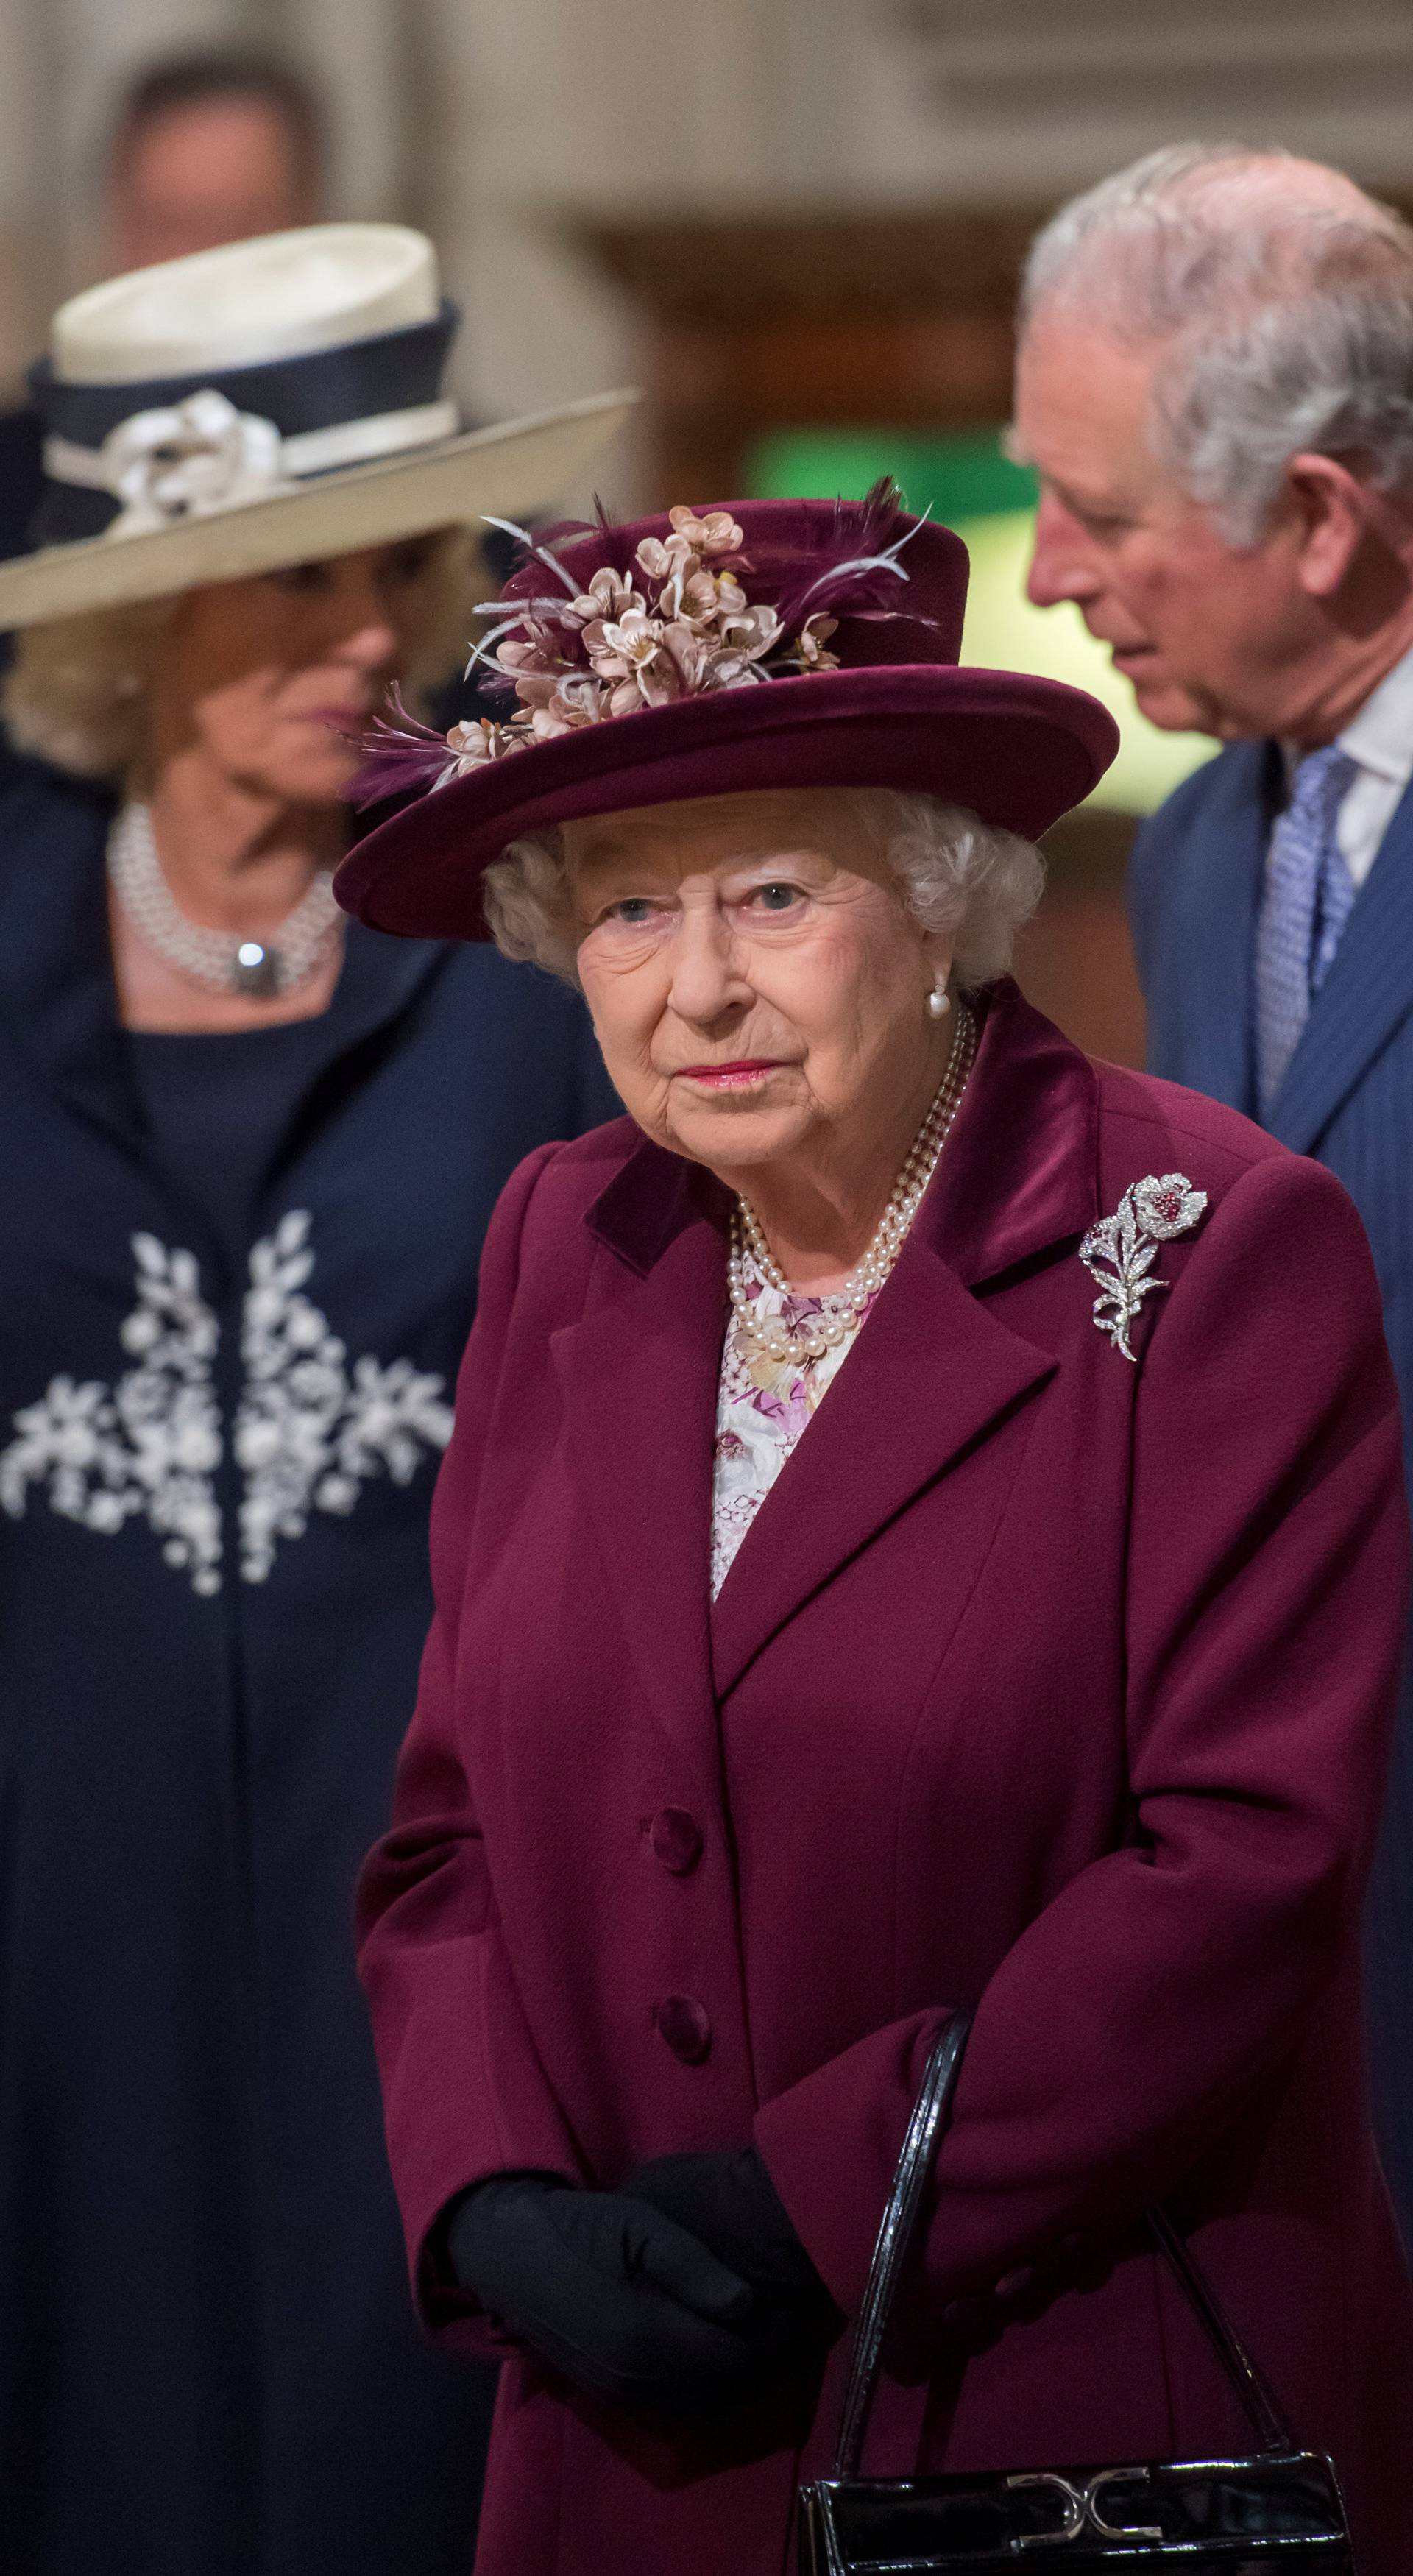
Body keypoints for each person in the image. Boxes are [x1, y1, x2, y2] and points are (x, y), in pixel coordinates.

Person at [341, 490, 1413, 2576]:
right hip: (627, 2448)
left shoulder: (1205, 1246)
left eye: (771, 890)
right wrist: (486, 2198)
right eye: (630, 913)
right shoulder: (565, 1236)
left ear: (942, 898)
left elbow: (1243, 1865)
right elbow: (447, 1830)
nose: (700, 987)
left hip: (1054, 2415)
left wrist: (826, 2194)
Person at [0, 224, 626, 2576]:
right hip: (54, 1947)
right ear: (126, 612)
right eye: (293, 578)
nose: (374, 632)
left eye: (402, 564)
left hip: (452, 1923)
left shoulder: (534, 923)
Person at [1013, 143, 1413, 2257]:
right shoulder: (1187, 845)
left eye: (1101, 514)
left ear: (1323, 518)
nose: (1053, 569)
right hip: (1292, 1943)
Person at [0, 46, 327, 572]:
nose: (200, 266)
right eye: (166, 224)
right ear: (114, 228)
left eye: (238, 225)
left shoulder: (435, 478)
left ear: (310, 226)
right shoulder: (15, 477)